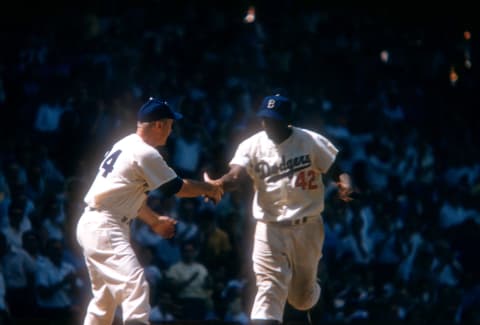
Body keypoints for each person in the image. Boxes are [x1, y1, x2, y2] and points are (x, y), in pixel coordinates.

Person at [204, 92, 353, 325]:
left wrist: (346, 185)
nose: (268, 123)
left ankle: (315, 299)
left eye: (274, 119)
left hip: (307, 226)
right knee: (269, 288)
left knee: (301, 299)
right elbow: (236, 175)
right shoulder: (251, 145)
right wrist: (220, 184)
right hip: (269, 227)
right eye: (265, 118)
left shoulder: (310, 141)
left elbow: (337, 170)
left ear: (287, 119)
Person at [76, 97, 223, 325]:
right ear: (159, 124)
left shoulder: (125, 143)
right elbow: (178, 188)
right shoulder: (145, 152)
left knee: (104, 299)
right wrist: (210, 188)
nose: (171, 130)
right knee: (135, 284)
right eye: (170, 124)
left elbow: (124, 198)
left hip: (98, 222)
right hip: (105, 225)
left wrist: (154, 221)